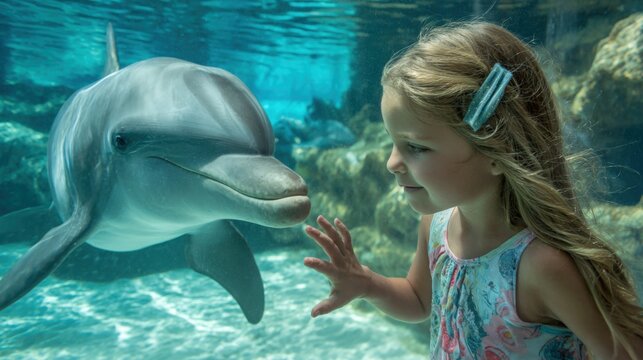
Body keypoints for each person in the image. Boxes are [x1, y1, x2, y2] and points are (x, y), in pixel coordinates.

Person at [303, 21, 643, 359]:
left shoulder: (542, 265)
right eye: (394, 143)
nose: (392, 162)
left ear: (497, 149)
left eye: (416, 147)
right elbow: (419, 300)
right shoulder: (436, 226)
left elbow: (624, 352)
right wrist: (367, 285)